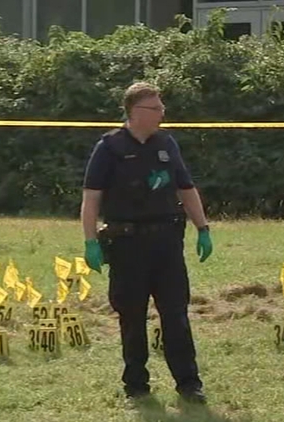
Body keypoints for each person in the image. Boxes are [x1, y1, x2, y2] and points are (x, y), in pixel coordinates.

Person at [80, 82, 213, 404]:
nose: (162, 113)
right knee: (132, 316)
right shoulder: (109, 148)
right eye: (156, 108)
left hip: (166, 242)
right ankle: (136, 386)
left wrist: (203, 228)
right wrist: (90, 241)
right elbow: (91, 198)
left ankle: (189, 384)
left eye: (161, 107)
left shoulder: (167, 144)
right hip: (127, 244)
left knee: (176, 314)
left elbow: (186, 188)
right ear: (136, 112)